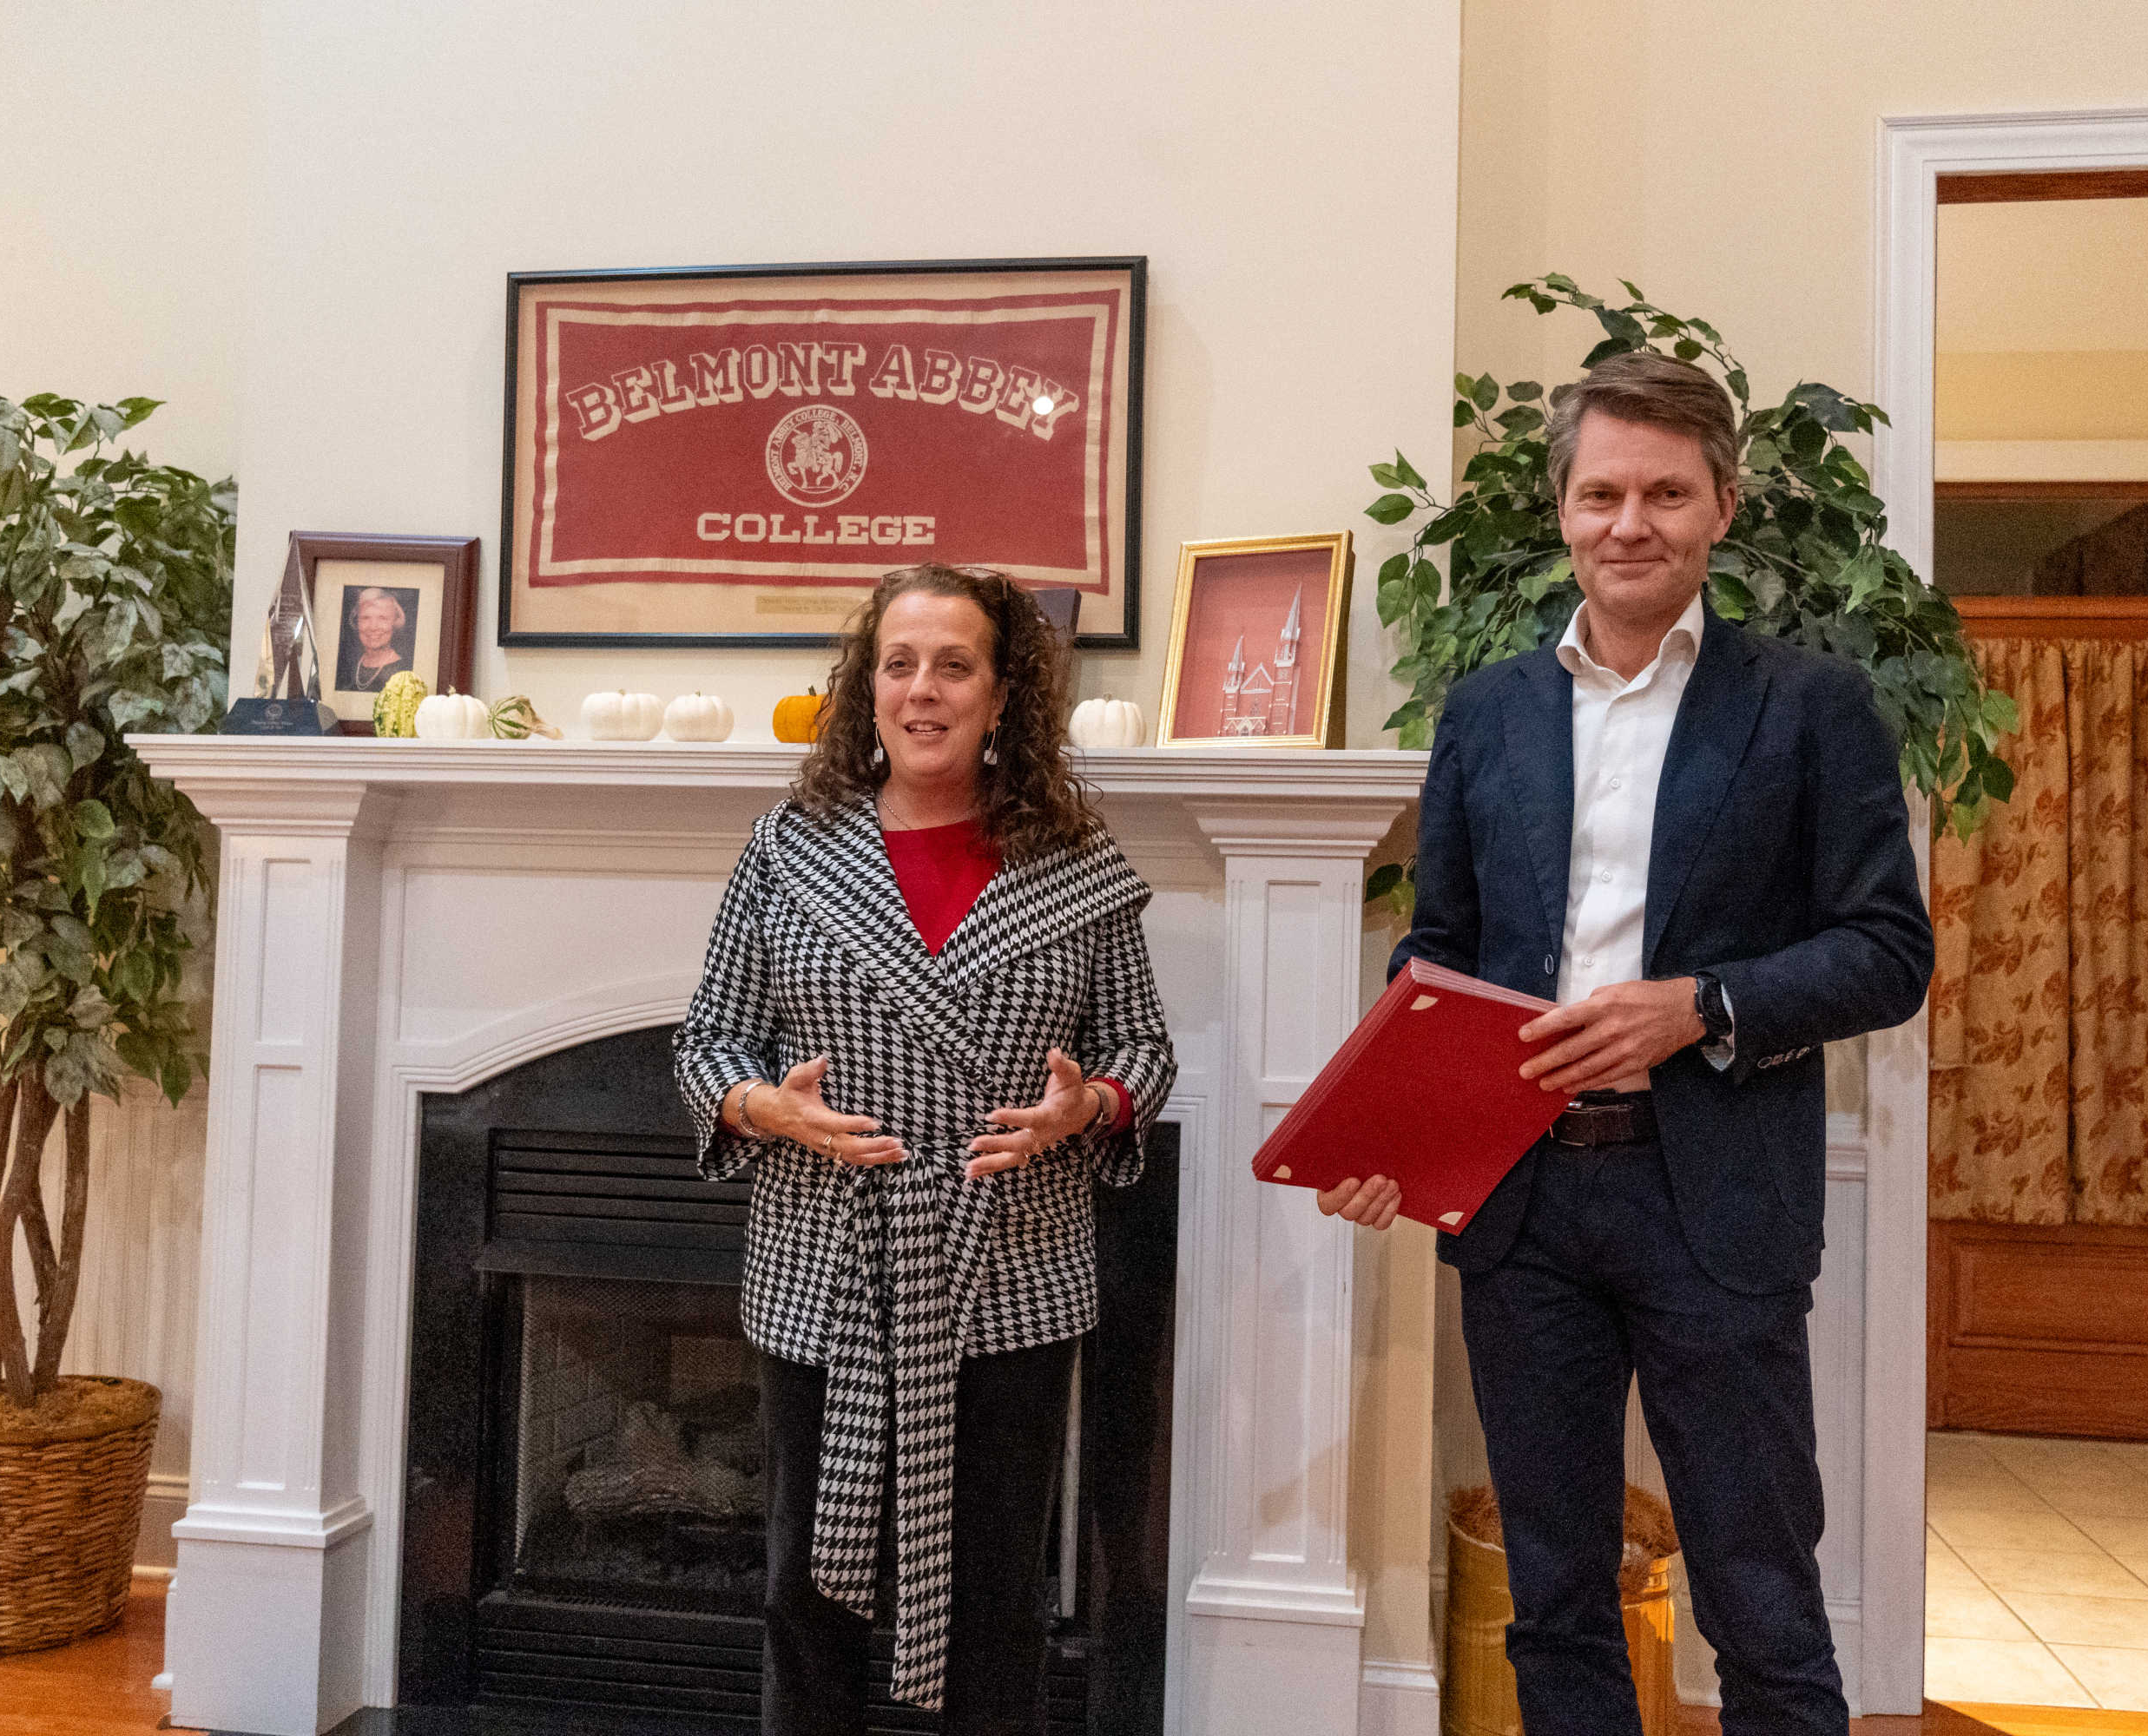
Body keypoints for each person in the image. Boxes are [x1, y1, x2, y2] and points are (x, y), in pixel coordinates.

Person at [1320, 351, 1933, 1734]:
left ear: (1722, 503)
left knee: (1762, 1599)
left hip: (1715, 1200)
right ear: (1562, 511)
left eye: (1665, 491)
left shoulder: (1812, 707)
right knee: (1554, 1594)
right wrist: (1399, 1141)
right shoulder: (1485, 715)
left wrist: (1698, 1005)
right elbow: (1443, 956)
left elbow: (1889, 953)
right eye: (1601, 493)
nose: (1629, 522)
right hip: (1525, 1208)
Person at [675, 562, 1175, 1735]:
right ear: (867, 689)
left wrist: (1088, 1106)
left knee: (998, 1593)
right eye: (899, 664)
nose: (923, 689)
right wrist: (761, 1105)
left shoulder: (1075, 862)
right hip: (825, 1269)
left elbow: (1143, 1047)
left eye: (955, 665)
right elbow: (709, 1039)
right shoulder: (786, 849)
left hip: (1010, 1271)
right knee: (807, 1587)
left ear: (1004, 695)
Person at [339, 586, 411, 691]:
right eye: (365, 618)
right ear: (356, 621)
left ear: (395, 622)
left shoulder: (404, 672)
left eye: (383, 618)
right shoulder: (347, 666)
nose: (373, 627)